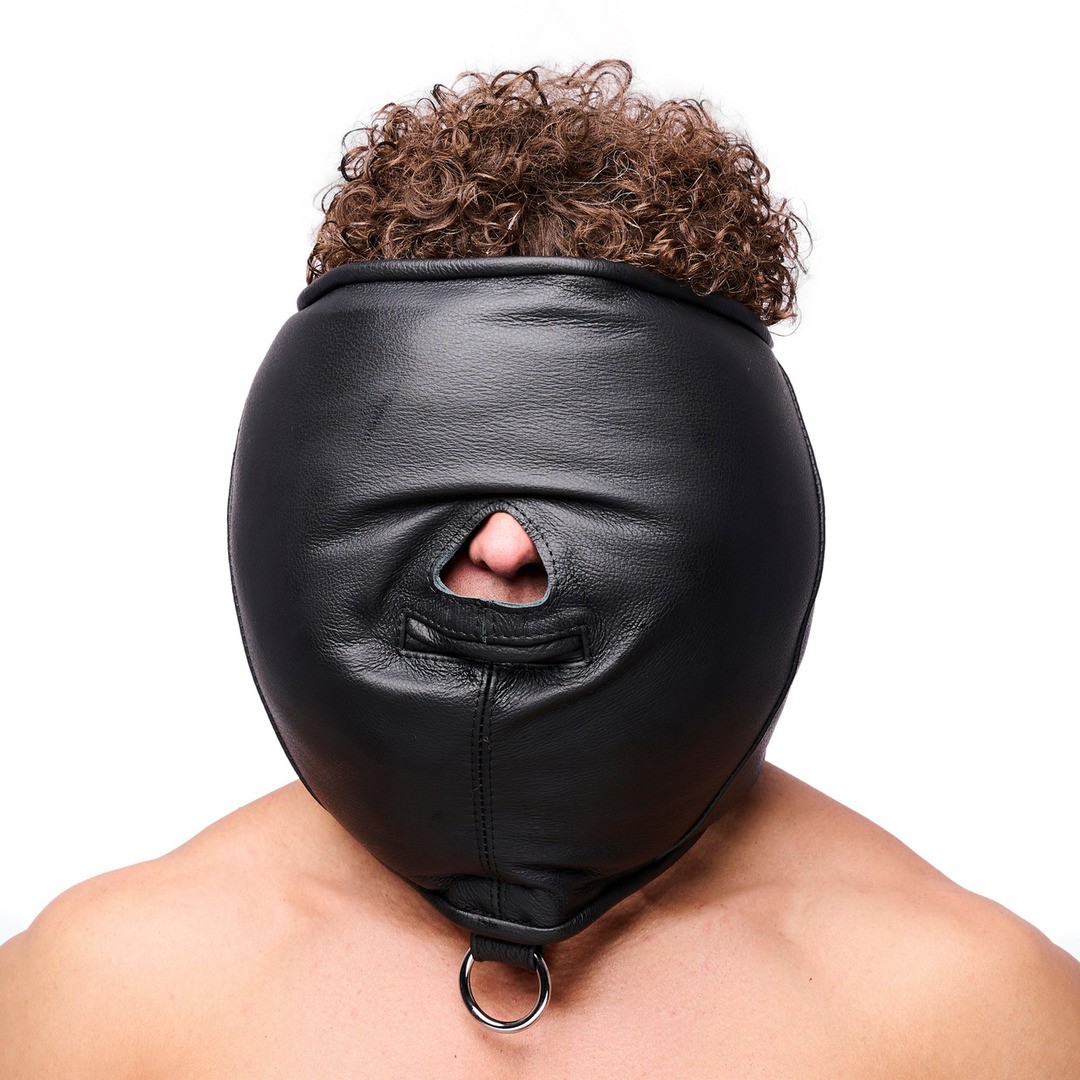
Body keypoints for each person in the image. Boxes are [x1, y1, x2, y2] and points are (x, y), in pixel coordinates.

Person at [2, 58, 1078, 1078]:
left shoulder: (968, 1011)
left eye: (602, 458)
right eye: (424, 449)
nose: (506, 545)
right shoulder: (102, 992)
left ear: (750, 491)